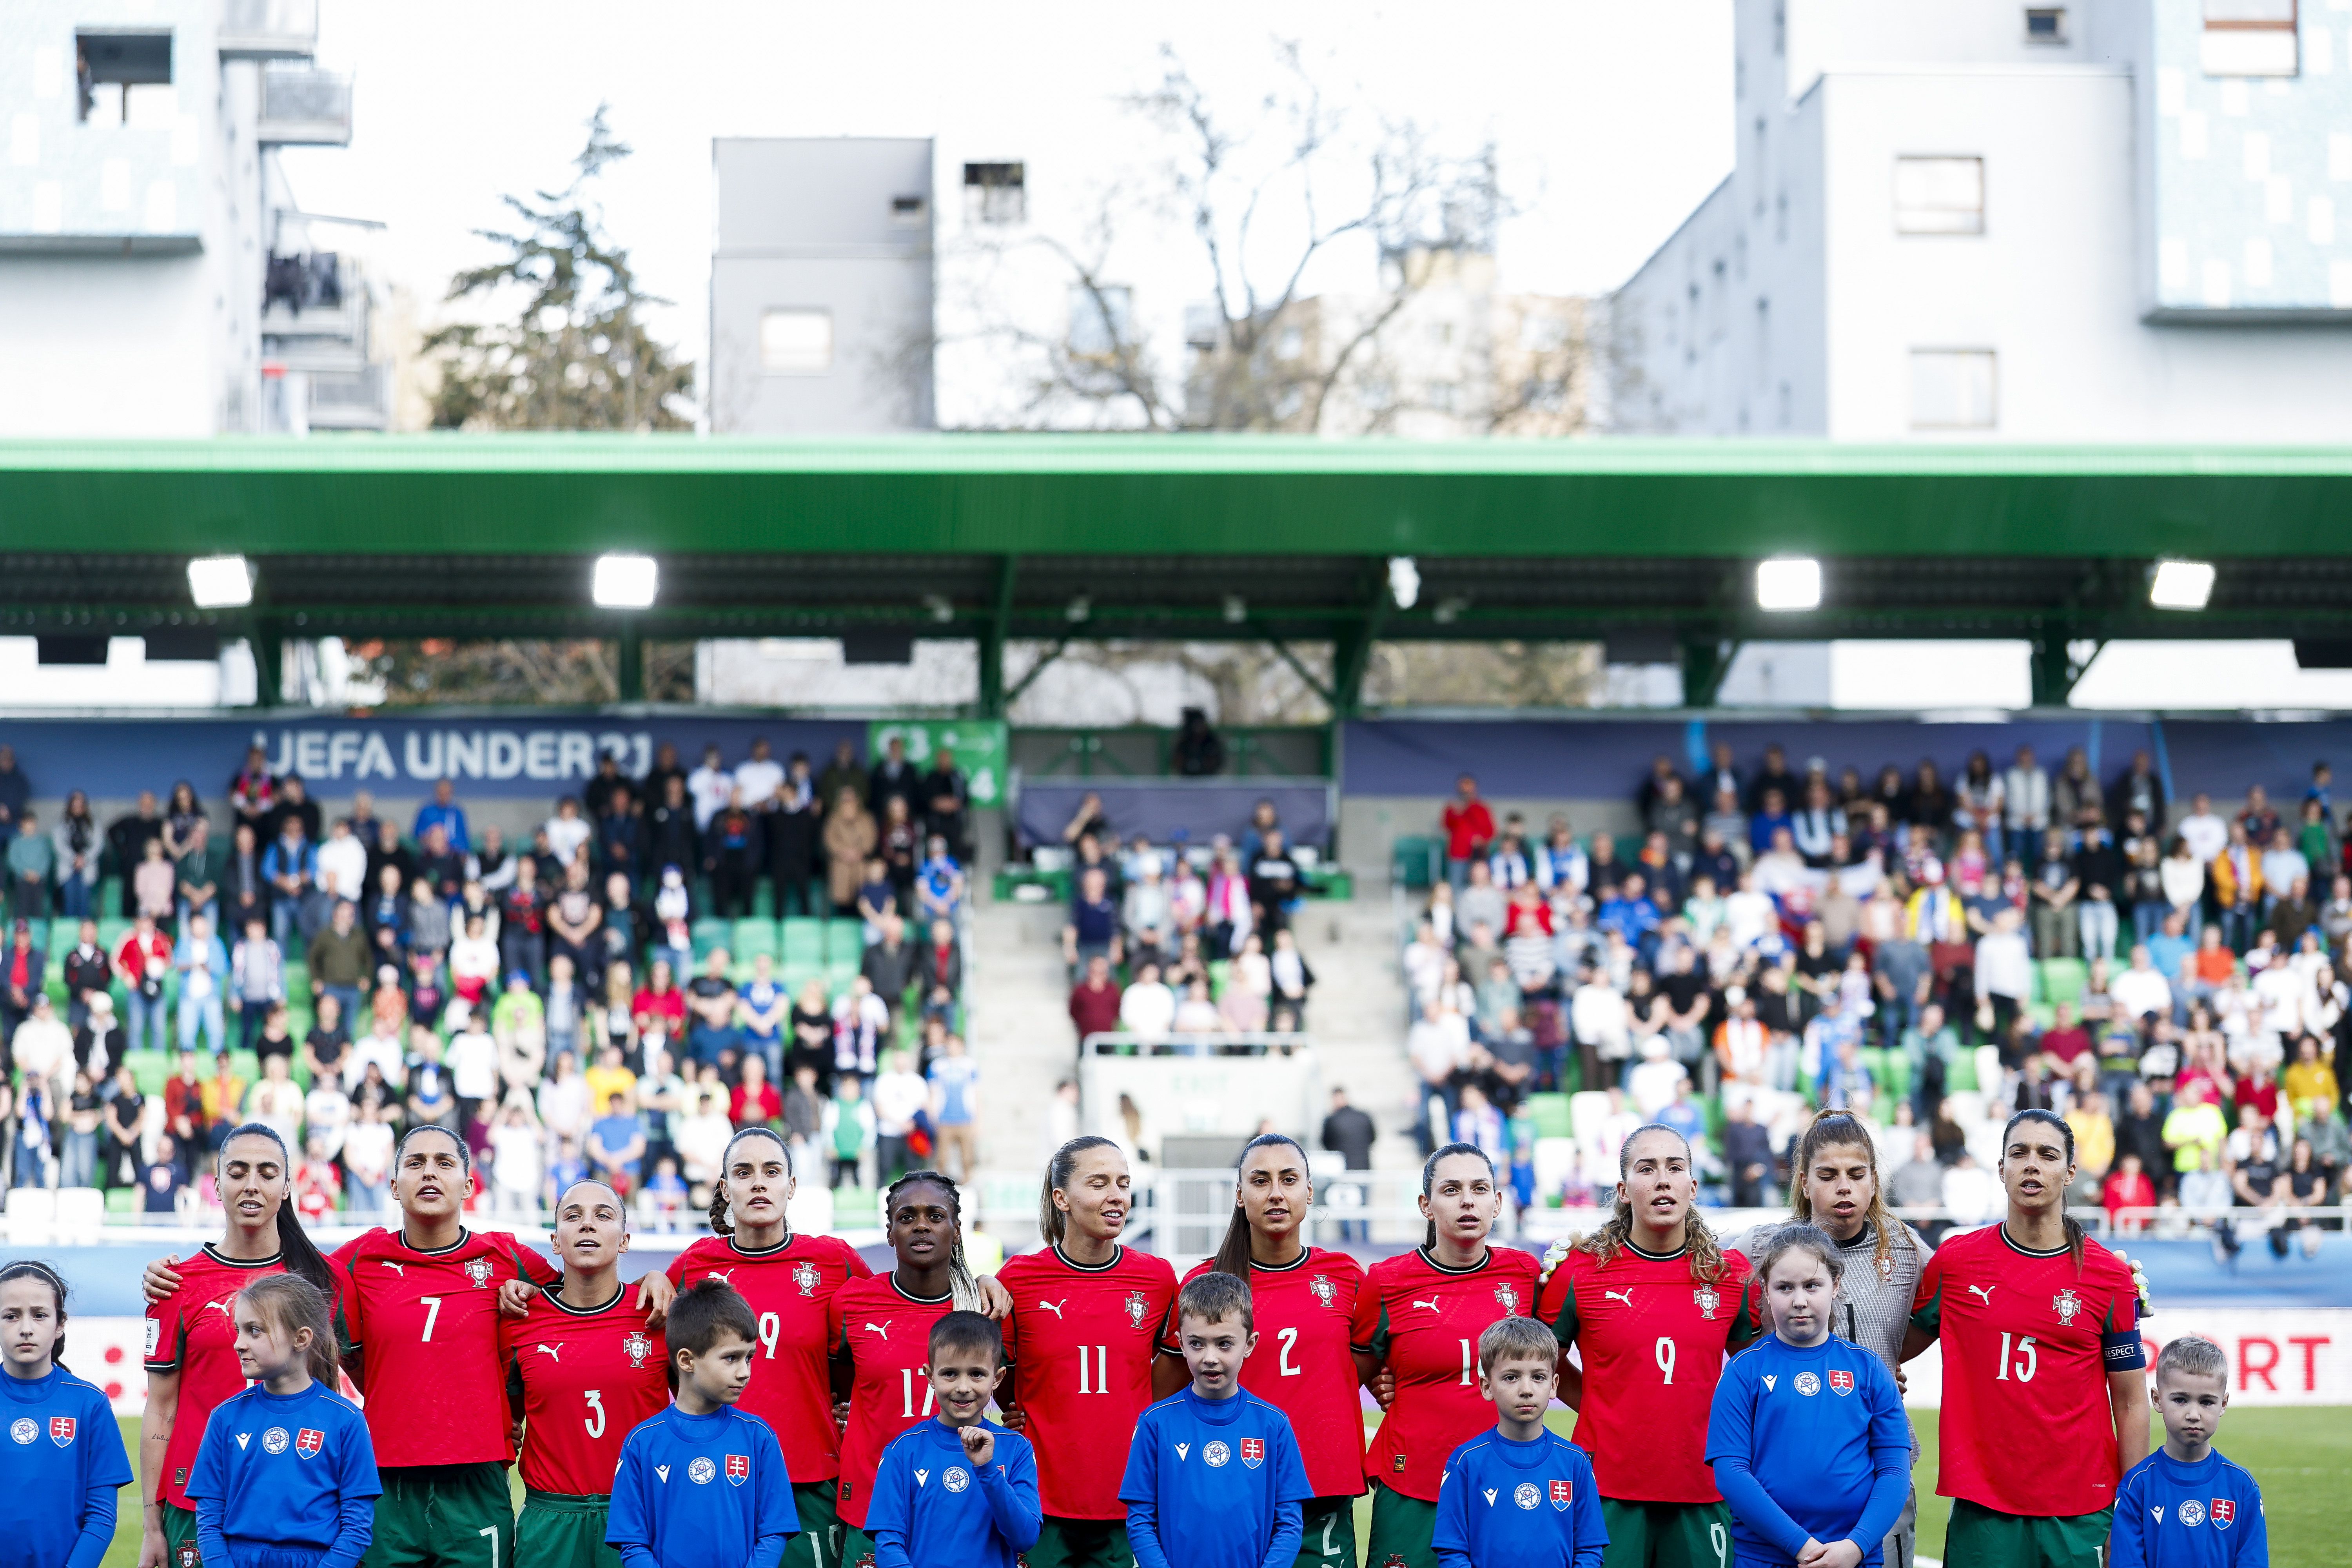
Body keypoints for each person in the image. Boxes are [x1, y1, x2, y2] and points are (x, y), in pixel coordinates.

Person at [1901, 1108, 2150, 1568]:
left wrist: (2131, 1514)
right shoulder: (1956, 1263)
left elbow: (2133, 1402)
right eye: (2019, 1153)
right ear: (2001, 1169)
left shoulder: (2109, 1276)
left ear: (2070, 1171)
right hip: (1985, 1513)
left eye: (2047, 1154)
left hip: (2083, 1513)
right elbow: (1894, 1349)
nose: (2031, 1163)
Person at [1538, 1125, 1757, 1568]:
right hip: (1606, 1491)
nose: (1662, 1179)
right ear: (1623, 1190)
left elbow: (1760, 1371)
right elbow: (1542, 1362)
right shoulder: (1580, 1271)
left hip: (1704, 1487)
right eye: (1647, 1168)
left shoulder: (1730, 1273)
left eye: (1675, 1167)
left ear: (1692, 1186)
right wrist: (1605, 1406)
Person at [1725, 1111, 1934, 1568]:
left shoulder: (1905, 1248)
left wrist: (1886, 1362)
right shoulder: (1763, 1247)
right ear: (1803, 1182)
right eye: (1828, 1175)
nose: (1844, 1186)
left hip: (1882, 1476)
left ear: (1875, 1181)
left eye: (1857, 1175)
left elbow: (1950, 1306)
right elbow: (1693, 1278)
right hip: (1781, 1476)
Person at [664, 1127, 876, 1568]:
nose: (758, 1182)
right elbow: (661, 1352)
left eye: (771, 1171)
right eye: (744, 1172)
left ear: (792, 1186)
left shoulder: (834, 1260)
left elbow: (891, 1320)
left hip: (809, 1477)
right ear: (725, 1188)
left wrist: (980, 1283)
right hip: (716, 1474)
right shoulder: (694, 1264)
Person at [1158, 1134, 1371, 1568]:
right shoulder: (1206, 1281)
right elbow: (1164, 1392)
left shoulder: (1345, 1275)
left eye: (1289, 1179)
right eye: (1260, 1180)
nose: (1276, 1192)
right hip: (1226, 1484)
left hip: (1321, 1482)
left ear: (1309, 1192)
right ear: (1240, 1194)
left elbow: (1364, 1365)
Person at [139, 1123, 340, 1568]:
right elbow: (161, 1408)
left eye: (268, 1173)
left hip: (297, 1503)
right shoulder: (175, 1284)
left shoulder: (322, 1279)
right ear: (217, 1184)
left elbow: (337, 1396)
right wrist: (152, 1528)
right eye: (238, 1171)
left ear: (287, 1187)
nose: (252, 1184)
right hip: (197, 1502)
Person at [999, 1137, 1182, 1568]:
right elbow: (995, 1373)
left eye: (1123, 1183)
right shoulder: (1019, 1278)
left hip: (1128, 1497)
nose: (1116, 1195)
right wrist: (1021, 1410)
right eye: (1098, 1183)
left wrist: (1130, 1416)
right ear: (1061, 1197)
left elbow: (1174, 1365)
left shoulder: (1156, 1278)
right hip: (1038, 1499)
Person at [1359, 1145, 1542, 1568]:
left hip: (1510, 1478)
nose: (1467, 1200)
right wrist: (1385, 1381)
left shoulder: (1527, 1275)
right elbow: (1352, 1366)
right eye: (1451, 1189)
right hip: (1413, 1482)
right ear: (1426, 1204)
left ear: (1497, 1202)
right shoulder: (1387, 1281)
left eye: (1480, 1189)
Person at [1705, 1226, 1909, 1568]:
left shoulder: (1869, 1369)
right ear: (1767, 1293)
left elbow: (1894, 1471)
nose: (1800, 1300)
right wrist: (1801, 1546)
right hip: (1767, 1556)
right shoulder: (1744, 1371)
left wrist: (1856, 1546)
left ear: (1836, 1286)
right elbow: (1730, 1471)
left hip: (1855, 1557)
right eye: (1785, 1288)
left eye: (1812, 1286)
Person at [501, 1180, 670, 1568]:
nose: (587, 1224)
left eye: (603, 1215)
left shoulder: (657, 1315)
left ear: (625, 1240)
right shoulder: (521, 1320)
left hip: (640, 1517)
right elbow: (506, 1418)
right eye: (573, 1216)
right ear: (556, 1241)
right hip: (550, 1522)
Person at [830, 1172, 988, 1568]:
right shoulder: (853, 1302)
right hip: (873, 1504)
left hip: (960, 1502)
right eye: (907, 1216)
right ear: (889, 1232)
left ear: (956, 1230)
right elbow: (838, 1383)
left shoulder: (983, 1307)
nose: (921, 1225)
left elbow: (1010, 1392)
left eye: (935, 1216)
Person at [185, 1275, 381, 1568]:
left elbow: (357, 1521)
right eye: (238, 1331)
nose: (239, 1344)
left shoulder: (345, 1419)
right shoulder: (225, 1417)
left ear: (301, 1339)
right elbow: (209, 1512)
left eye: (255, 1331)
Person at [1123, 1272, 1312, 1568]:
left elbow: (1289, 1522)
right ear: (1181, 1344)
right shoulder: (1155, 1423)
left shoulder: (1273, 1424)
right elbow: (1140, 1520)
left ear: (1249, 1344)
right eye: (1197, 1344)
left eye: (1225, 1344)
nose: (1210, 1357)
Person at [605, 1280, 799, 1568]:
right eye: (731, 1358)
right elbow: (632, 1541)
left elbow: (774, 1531)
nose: (744, 1372)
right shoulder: (643, 1442)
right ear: (687, 1360)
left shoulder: (759, 1437)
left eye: (749, 1358)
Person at [863, 1312, 1041, 1568]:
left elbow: (1025, 1538)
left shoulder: (1017, 1448)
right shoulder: (902, 1450)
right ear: (930, 1375)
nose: (963, 1386)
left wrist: (987, 1470)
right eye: (950, 1374)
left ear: (998, 1378)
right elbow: (889, 1542)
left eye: (977, 1374)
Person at [1431, 1316, 1606, 1568]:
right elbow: (1452, 1553)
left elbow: (1589, 1550)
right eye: (1512, 1377)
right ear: (1487, 1387)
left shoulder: (1575, 1461)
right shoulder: (1466, 1461)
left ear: (1553, 1385)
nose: (1527, 1389)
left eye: (1538, 1377)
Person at [0, 1259, 134, 1568]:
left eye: (39, 1315)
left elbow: (101, 1515)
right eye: (11, 1316)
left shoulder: (89, 1403)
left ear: (60, 1324)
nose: (25, 1328)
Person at [2108, 1335, 2269, 1568]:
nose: (2194, 1415)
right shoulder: (2137, 1485)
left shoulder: (2242, 1486)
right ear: (2158, 1400)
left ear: (2223, 1404)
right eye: (2181, 1400)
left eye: (2206, 1402)